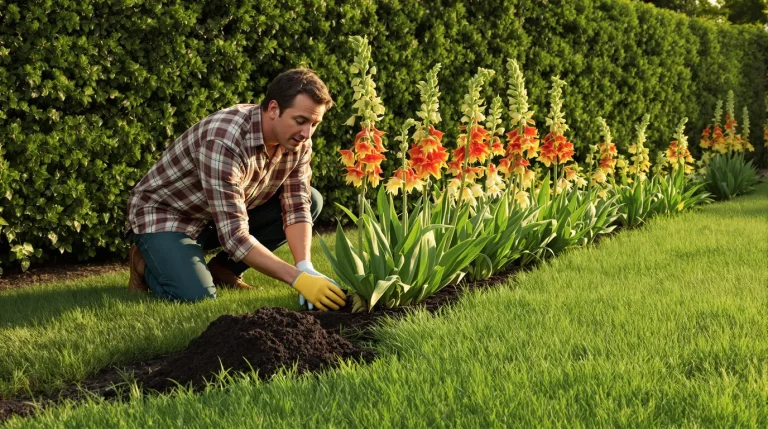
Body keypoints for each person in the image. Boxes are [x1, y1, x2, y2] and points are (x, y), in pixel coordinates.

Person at [125, 68, 346, 311]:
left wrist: (305, 266)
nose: (307, 133)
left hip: (216, 216)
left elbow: (297, 205)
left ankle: (223, 270)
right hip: (168, 216)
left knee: (312, 199)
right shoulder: (224, 140)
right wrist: (297, 278)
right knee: (195, 297)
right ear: (273, 109)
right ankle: (145, 265)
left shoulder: (297, 141)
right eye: (301, 121)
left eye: (315, 124)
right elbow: (234, 236)